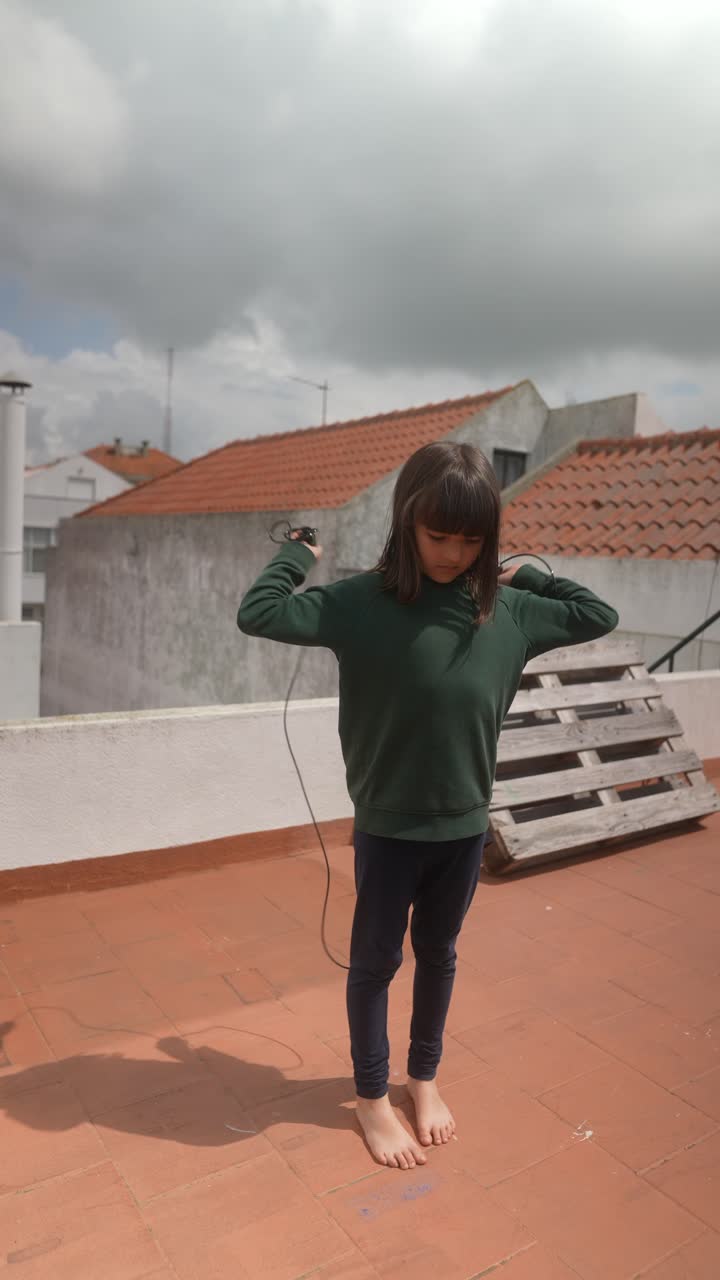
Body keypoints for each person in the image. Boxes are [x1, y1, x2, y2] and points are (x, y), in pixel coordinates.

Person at [237, 440, 619, 1170]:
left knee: (439, 956)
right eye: (438, 534)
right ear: (407, 522)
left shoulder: (510, 613)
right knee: (374, 964)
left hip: (465, 829)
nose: (452, 552)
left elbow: (597, 612)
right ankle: (373, 1099)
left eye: (470, 540)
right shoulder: (359, 604)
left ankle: (424, 1079)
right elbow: (260, 612)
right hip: (388, 830)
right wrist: (298, 554)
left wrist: (528, 570)